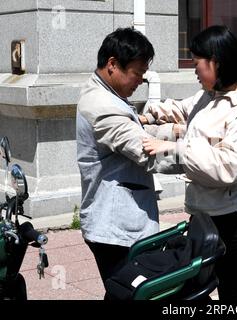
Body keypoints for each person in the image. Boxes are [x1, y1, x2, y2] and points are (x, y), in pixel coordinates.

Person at [142, 25, 237, 300]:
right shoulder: (208, 97)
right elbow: (180, 109)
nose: (194, 69)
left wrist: (174, 149)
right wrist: (147, 117)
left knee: (232, 292)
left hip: (234, 214)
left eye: (197, 62)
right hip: (207, 209)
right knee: (201, 281)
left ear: (217, 62)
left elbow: (228, 167)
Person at [76, 27, 159, 292]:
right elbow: (146, 150)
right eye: (137, 73)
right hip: (116, 229)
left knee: (124, 292)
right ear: (113, 64)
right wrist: (202, 152)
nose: (141, 81)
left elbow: (138, 130)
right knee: (132, 293)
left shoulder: (107, 95)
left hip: (119, 223)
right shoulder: (102, 105)